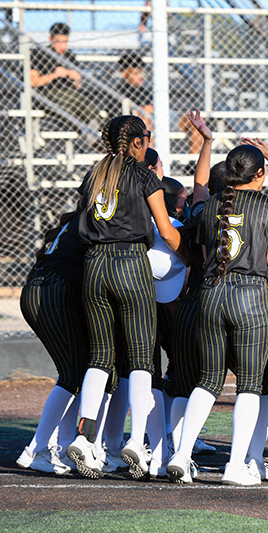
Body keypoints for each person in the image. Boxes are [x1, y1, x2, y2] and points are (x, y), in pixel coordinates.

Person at [66, 115, 181, 480]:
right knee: (141, 357)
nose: (148, 142)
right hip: (131, 263)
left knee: (100, 357)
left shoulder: (95, 173)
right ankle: (135, 440)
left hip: (94, 266)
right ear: (135, 142)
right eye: (146, 137)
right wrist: (194, 257)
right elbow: (165, 228)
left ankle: (84, 438)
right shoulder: (143, 173)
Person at [166, 143, 268, 486]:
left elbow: (205, 252)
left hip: (211, 293)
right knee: (250, 385)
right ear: (259, 173)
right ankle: (236, 465)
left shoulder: (213, 203)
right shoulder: (267, 206)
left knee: (208, 380)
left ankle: (181, 453)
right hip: (251, 298)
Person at [16, 211, 88, 475]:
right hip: (52, 291)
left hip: (38, 288)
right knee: (72, 376)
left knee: (74, 373)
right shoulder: (95, 216)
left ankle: (63, 447)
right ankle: (36, 449)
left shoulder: (76, 219)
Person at [30, 22, 103, 130]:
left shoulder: (70, 55)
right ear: (51, 38)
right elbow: (32, 81)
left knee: (85, 104)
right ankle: (88, 131)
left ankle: (104, 129)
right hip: (48, 94)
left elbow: (77, 86)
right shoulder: (40, 54)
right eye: (58, 42)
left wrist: (76, 78)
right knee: (70, 107)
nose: (62, 46)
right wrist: (53, 75)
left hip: (71, 94)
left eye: (65, 42)